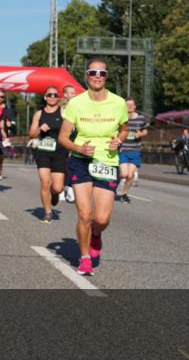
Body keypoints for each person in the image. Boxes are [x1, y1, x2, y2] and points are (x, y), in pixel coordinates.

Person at [58, 59, 128, 277]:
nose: (97, 76)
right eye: (93, 72)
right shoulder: (76, 104)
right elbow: (62, 137)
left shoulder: (118, 103)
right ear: (86, 75)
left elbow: (124, 129)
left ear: (106, 76)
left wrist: (120, 140)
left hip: (107, 161)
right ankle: (85, 257)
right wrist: (78, 146)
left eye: (102, 73)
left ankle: (96, 235)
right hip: (81, 160)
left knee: (101, 219)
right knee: (85, 214)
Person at [29, 86, 68, 224]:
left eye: (55, 95)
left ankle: (55, 194)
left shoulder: (63, 112)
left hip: (59, 151)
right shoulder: (39, 114)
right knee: (45, 182)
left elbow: (71, 130)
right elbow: (31, 134)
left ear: (58, 97)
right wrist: (39, 129)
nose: (52, 97)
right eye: (49, 94)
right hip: (43, 151)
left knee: (57, 187)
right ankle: (48, 212)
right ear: (45, 97)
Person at [117, 97, 148, 203]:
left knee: (130, 175)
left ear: (135, 107)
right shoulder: (121, 118)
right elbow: (115, 131)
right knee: (124, 174)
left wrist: (141, 134)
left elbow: (145, 131)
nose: (129, 107)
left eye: (131, 105)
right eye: (127, 105)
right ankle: (116, 178)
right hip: (123, 150)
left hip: (135, 151)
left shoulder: (141, 118)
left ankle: (124, 194)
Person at [60, 84, 79, 204]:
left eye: (74, 93)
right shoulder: (61, 107)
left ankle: (71, 189)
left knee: (74, 165)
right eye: (71, 93)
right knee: (62, 166)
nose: (74, 95)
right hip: (63, 139)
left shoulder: (80, 106)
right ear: (65, 94)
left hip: (76, 138)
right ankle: (61, 190)